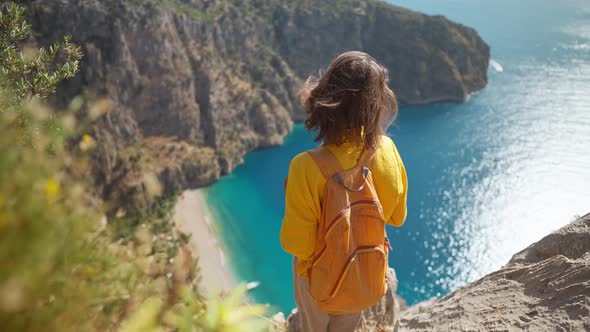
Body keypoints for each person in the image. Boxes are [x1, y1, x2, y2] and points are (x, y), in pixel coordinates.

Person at [280, 51, 408, 332]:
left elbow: (297, 245)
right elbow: (397, 217)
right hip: (364, 275)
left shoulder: (305, 166)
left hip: (320, 284)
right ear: (376, 105)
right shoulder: (387, 150)